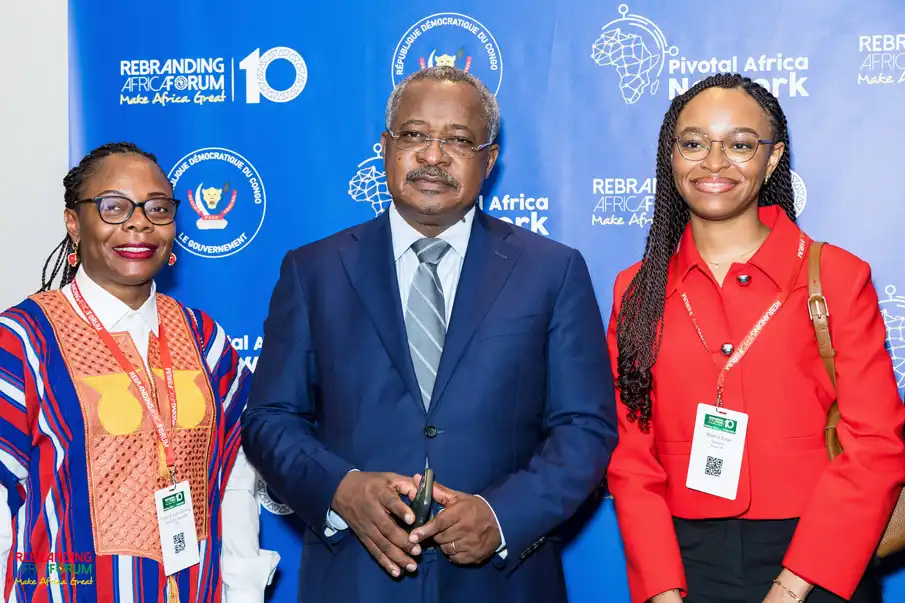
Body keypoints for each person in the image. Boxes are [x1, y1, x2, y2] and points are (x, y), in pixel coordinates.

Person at [241, 66, 618, 603]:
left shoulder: (551, 271)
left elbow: (585, 427)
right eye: (414, 135)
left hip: (504, 585)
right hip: (355, 579)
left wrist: (501, 516)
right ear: (386, 147)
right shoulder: (314, 270)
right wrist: (340, 489)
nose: (433, 156)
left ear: (489, 159)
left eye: (458, 140)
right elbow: (270, 418)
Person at [606, 73, 905, 603]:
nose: (714, 163)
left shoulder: (836, 276)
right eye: (694, 143)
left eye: (740, 144)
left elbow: (876, 442)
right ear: (671, 155)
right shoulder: (637, 290)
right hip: (682, 564)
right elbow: (632, 458)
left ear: (772, 159)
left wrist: (792, 589)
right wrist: (661, 589)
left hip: (819, 560)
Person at [0, 142, 279, 602]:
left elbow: (235, 480)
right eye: (113, 207)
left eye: (158, 208)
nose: (139, 222)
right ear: (74, 223)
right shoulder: (23, 340)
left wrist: (242, 591)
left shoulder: (204, 339)